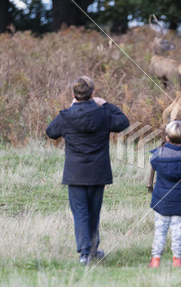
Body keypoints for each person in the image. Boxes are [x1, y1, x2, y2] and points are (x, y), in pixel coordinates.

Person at [46, 76, 129, 266]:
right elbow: (124, 122)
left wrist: (70, 108)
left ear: (73, 94)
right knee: (94, 212)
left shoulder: (66, 115)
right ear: (93, 93)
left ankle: (85, 253)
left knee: (80, 213)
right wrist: (106, 104)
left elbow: (50, 132)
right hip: (98, 173)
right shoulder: (103, 113)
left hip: (75, 174)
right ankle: (91, 250)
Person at [148, 120, 181, 268]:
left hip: (162, 202)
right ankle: (176, 259)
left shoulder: (159, 155)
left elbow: (153, 161)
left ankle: (155, 259)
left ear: (166, 138)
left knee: (160, 230)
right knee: (177, 231)